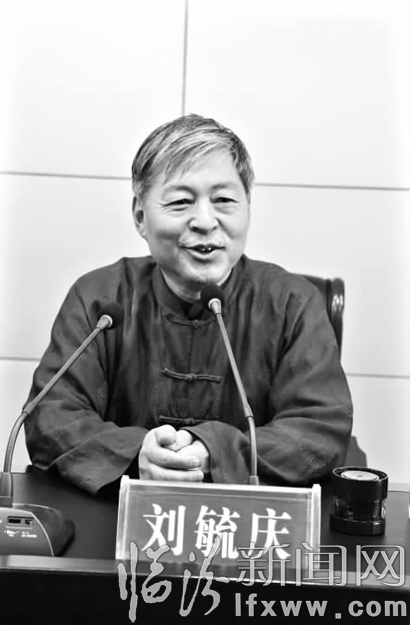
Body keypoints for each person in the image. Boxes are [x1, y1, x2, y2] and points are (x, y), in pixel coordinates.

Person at [24, 113, 353, 494]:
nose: (205, 221)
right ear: (140, 216)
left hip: (248, 523)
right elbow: (51, 416)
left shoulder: (292, 303)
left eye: (224, 200)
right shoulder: (100, 299)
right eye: (181, 202)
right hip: (117, 521)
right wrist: (136, 454)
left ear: (248, 207)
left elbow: (320, 430)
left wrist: (215, 451)